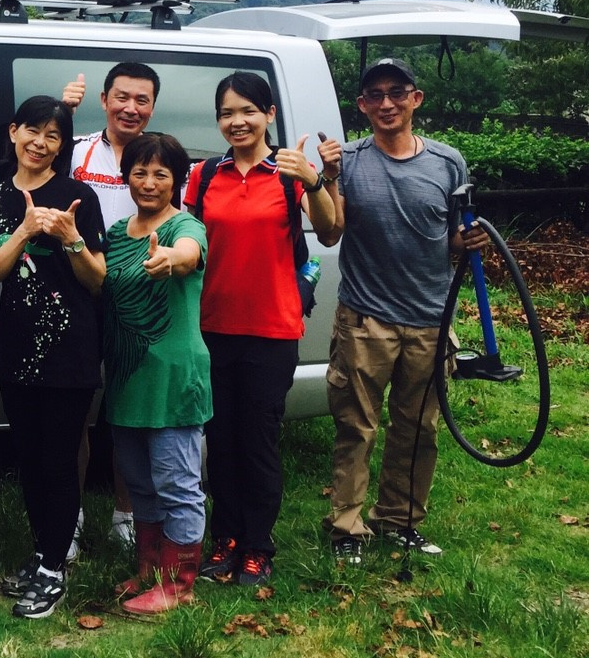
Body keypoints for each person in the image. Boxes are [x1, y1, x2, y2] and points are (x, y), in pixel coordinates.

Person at [324, 58, 490, 564]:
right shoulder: (348, 161)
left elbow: (453, 237)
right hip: (365, 319)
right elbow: (331, 230)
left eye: (397, 92)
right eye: (374, 95)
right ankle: (346, 528)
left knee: (418, 428)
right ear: (362, 106)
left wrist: (470, 239)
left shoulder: (447, 162)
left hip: (430, 322)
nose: (386, 103)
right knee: (357, 427)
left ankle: (399, 520)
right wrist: (326, 179)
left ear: (416, 98)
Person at [184, 72, 341, 588]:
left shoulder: (288, 173)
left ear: (269, 114)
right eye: (227, 113)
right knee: (220, 440)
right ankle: (225, 538)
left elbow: (332, 229)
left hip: (271, 330)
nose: (237, 121)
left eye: (248, 111)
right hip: (211, 328)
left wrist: (315, 181)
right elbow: (187, 237)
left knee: (258, 441)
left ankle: (257, 545)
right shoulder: (205, 176)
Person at [0, 96, 106, 619]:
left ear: (62, 144)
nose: (40, 142)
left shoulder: (78, 197)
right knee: (28, 458)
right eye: (33, 130)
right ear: (13, 132)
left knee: (58, 459)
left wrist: (71, 239)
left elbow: (98, 282)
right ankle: (41, 553)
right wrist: (25, 231)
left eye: (53, 135)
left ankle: (53, 568)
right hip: (17, 349)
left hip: (71, 348)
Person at [102, 132, 209, 615]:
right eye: (140, 172)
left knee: (177, 482)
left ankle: (180, 583)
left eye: (160, 174)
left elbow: (187, 252)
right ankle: (149, 569)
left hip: (173, 376)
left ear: (176, 181)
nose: (148, 182)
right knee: (139, 481)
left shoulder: (185, 226)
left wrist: (170, 258)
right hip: (128, 376)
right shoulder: (116, 231)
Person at [66, 62, 162, 549]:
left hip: (137, 296)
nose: (131, 108)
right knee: (77, 411)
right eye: (122, 97)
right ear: (104, 100)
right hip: (82, 292)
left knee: (130, 411)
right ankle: (72, 516)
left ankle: (127, 515)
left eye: (142, 100)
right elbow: (35, 158)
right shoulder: (78, 151)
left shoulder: (160, 160)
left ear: (152, 107)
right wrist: (62, 111)